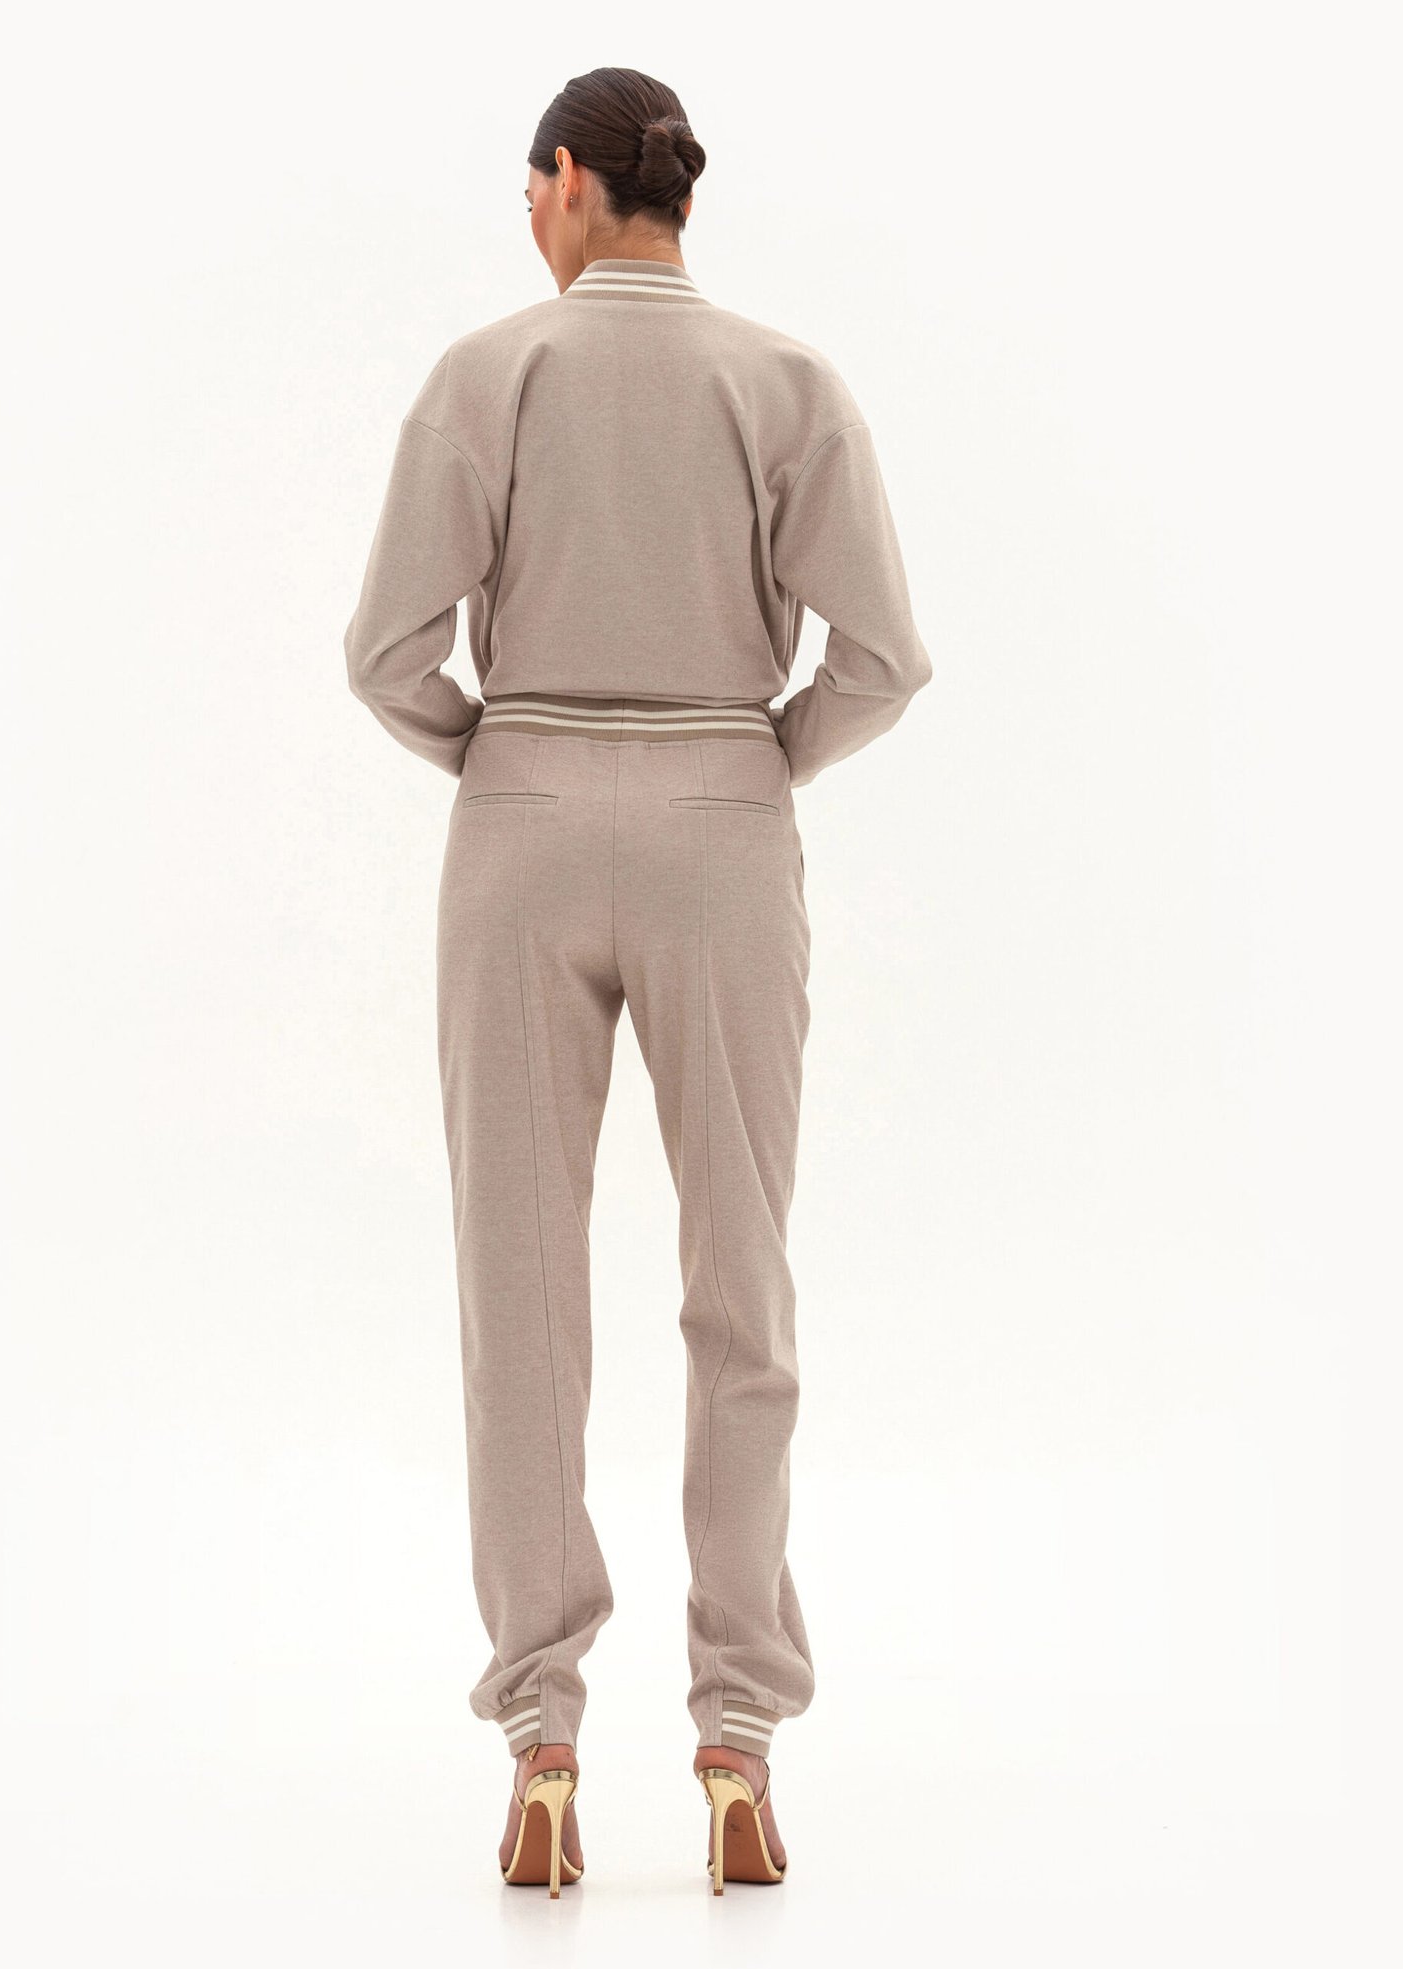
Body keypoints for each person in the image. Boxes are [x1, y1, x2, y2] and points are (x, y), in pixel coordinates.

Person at [343, 65, 932, 1894]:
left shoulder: (490, 373)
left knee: (520, 1295)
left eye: (534, 185)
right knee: (740, 1281)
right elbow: (885, 658)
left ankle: (541, 1737)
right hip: (722, 825)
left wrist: (503, 750)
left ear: (578, 184)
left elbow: (384, 651)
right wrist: (752, 756)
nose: (528, 215)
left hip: (518, 822)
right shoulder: (785, 382)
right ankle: (738, 1737)